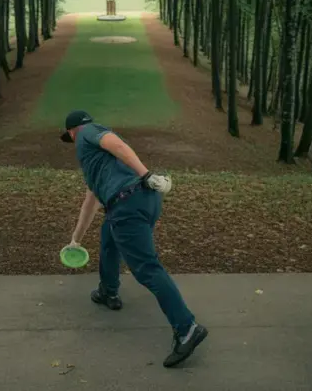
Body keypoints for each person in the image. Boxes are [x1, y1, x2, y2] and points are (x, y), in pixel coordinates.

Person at [61, 110, 208, 367]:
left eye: (70, 137)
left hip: (128, 202)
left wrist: (147, 174)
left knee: (147, 268)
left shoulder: (88, 133)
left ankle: (187, 329)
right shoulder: (98, 166)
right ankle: (108, 291)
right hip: (141, 200)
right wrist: (76, 239)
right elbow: (90, 203)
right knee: (109, 236)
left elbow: (115, 143)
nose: (72, 142)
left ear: (72, 132)